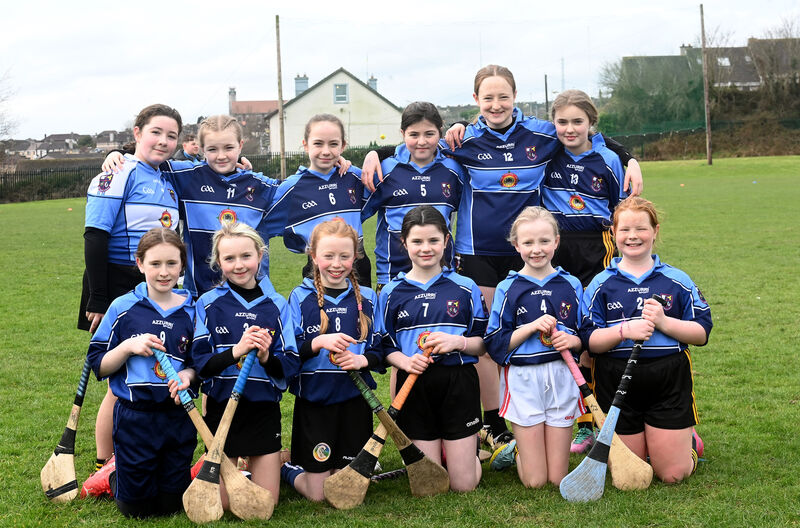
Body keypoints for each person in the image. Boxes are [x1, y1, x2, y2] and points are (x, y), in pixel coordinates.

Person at [363, 65, 642, 442]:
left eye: (503, 96)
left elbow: (588, 136)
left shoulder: (543, 133)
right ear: (476, 100)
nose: (496, 104)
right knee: (489, 342)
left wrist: (629, 159)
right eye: (488, 98)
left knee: (553, 335)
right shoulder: (461, 139)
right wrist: (375, 154)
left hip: (532, 252)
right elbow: (418, 144)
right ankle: (493, 424)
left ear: (515, 97)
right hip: (477, 253)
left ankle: (572, 418)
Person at [580, 196, 712, 482]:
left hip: (667, 376)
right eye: (625, 229)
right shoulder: (600, 284)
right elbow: (590, 341)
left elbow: (701, 333)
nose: (632, 236)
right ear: (613, 233)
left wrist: (664, 322)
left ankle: (688, 445)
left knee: (672, 475)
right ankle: (655, 442)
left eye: (641, 228)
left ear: (655, 231)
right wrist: (623, 331)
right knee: (630, 478)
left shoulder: (677, 280)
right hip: (616, 379)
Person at [81, 103, 183, 473]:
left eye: (172, 135)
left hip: (154, 284)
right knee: (117, 381)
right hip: (117, 282)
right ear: (137, 133)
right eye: (156, 132)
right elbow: (95, 236)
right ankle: (105, 463)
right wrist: (98, 298)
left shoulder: (166, 177)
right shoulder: (119, 171)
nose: (164, 141)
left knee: (141, 372)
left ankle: (128, 455)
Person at [81, 228, 196, 518]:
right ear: (140, 263)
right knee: (137, 510)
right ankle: (112, 474)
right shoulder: (122, 307)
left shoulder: (193, 309)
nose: (164, 272)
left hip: (177, 416)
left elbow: (200, 362)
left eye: (172, 263)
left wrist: (189, 377)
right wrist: (128, 347)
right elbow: (99, 363)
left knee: (171, 506)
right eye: (155, 264)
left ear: (182, 264)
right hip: (135, 417)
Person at [103, 115, 280, 298]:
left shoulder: (261, 186)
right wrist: (118, 154)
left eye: (229, 147)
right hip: (200, 295)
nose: (221, 156)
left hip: (253, 296)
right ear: (202, 149)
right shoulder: (187, 175)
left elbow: (298, 193)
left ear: (240, 145)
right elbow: (148, 157)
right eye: (212, 149)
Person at [541, 89, 628, 453]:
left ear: (592, 123)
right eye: (562, 122)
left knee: (595, 335)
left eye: (578, 121)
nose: (570, 128)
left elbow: (621, 209)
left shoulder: (609, 159)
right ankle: (580, 421)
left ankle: (605, 418)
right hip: (557, 249)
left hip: (597, 248)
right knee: (567, 334)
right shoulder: (547, 153)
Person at [380, 206, 487, 492]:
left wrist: (459, 342)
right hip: (415, 386)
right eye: (417, 241)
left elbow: (482, 344)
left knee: (463, 485)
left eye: (433, 241)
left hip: (458, 383)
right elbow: (383, 346)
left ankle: (468, 452)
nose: (425, 248)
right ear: (404, 243)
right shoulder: (391, 292)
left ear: (446, 241)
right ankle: (447, 452)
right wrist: (403, 361)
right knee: (430, 487)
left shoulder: (465, 288)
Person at [191, 223, 299, 505]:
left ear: (260, 255)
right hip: (222, 409)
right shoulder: (207, 304)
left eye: (246, 256)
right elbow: (201, 365)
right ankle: (228, 467)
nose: (239, 265)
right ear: (218, 262)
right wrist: (236, 351)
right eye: (229, 259)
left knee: (265, 503)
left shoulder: (277, 305)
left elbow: (290, 366)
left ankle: (279, 464)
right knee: (226, 504)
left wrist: (266, 357)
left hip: (263, 410)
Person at [282, 219, 384, 501]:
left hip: (355, 402)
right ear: (313, 256)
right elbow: (289, 353)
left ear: (355, 257)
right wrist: (317, 343)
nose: (336, 264)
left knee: (347, 494)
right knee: (319, 496)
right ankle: (286, 468)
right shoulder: (300, 298)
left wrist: (362, 361)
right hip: (316, 403)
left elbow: (381, 351)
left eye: (344, 256)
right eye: (328, 256)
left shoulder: (368, 300)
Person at [484, 207, 583, 487]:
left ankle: (529, 450)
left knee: (557, 478)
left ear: (556, 241)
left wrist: (572, 341)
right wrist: (529, 327)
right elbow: (495, 344)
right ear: (516, 245)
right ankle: (516, 451)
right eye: (528, 243)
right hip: (523, 380)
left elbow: (585, 335)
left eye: (543, 241)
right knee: (535, 482)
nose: (536, 249)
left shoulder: (571, 284)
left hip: (562, 377)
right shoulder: (508, 287)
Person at [361, 101, 464, 289]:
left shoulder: (454, 170)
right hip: (393, 276)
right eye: (414, 135)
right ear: (402, 134)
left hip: (442, 274)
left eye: (429, 134)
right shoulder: (384, 169)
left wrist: (462, 123)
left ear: (440, 133)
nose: (422, 141)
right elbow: (354, 214)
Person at [264, 114, 370, 287]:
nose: (326, 151)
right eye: (318, 143)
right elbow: (260, 220)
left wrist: (373, 154)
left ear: (343, 146)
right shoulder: (292, 187)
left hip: (359, 269)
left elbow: (391, 180)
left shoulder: (354, 177)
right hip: (317, 272)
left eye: (333, 144)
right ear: (305, 145)